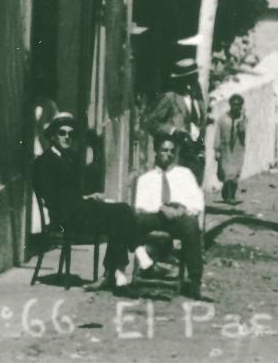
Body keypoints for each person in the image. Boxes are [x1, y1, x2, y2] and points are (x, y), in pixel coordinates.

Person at [31, 112, 139, 290]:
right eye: (62, 133)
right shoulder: (44, 162)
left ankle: (113, 274)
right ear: (52, 136)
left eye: (71, 134)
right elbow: (53, 197)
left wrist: (86, 197)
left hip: (78, 210)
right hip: (63, 217)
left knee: (121, 213)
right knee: (121, 212)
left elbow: (72, 192)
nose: (67, 137)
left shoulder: (71, 158)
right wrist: (79, 201)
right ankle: (132, 258)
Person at [131, 134, 207, 300]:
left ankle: (194, 281)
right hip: (155, 217)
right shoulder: (146, 179)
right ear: (156, 152)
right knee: (131, 222)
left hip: (179, 218)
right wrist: (161, 208)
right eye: (164, 150)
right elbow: (140, 206)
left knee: (191, 226)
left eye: (172, 151)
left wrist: (183, 208)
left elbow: (198, 202)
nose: (168, 154)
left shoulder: (185, 174)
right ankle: (142, 264)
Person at [144, 59, 207, 179]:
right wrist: (173, 130)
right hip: (176, 155)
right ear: (183, 78)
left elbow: (201, 122)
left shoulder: (197, 99)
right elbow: (152, 123)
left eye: (196, 75)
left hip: (194, 155)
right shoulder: (170, 98)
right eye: (192, 76)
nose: (196, 79)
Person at [214, 94, 247, 205]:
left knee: (235, 173)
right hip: (225, 150)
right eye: (234, 105)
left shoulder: (242, 119)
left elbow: (242, 132)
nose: (236, 107)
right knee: (227, 172)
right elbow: (218, 134)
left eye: (238, 105)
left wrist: (242, 119)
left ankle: (231, 195)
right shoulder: (223, 119)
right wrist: (217, 149)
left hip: (238, 150)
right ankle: (229, 195)